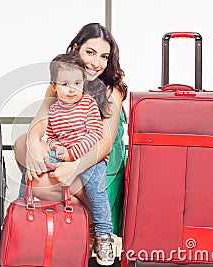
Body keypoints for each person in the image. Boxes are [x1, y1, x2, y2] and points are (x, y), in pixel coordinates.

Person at [14, 23, 128, 266]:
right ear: (76, 49)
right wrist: (35, 145)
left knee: (43, 184)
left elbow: (104, 143)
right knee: (22, 144)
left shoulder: (111, 90)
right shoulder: (62, 81)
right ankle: (27, 211)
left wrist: (74, 167)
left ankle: (98, 228)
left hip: (97, 162)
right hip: (67, 153)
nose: (96, 62)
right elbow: (41, 118)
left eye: (104, 56)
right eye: (90, 52)